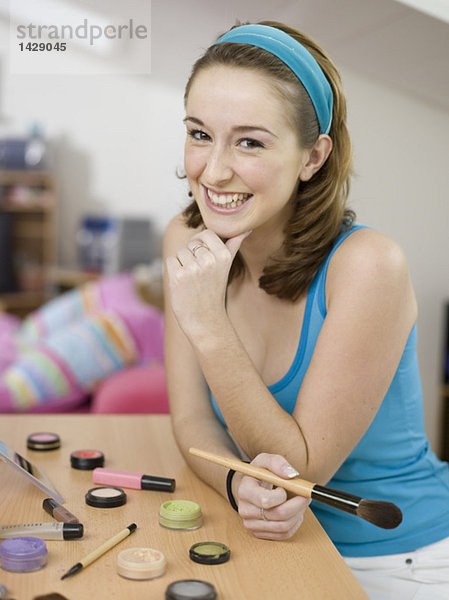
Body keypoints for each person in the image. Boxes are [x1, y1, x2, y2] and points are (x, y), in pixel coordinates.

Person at [163, 21, 449, 599]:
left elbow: (302, 468)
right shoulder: (184, 239)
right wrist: (239, 486)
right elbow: (192, 421)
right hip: (266, 542)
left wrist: (209, 327)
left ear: (312, 157)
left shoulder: (369, 266)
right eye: (199, 134)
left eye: (250, 142)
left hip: (397, 559)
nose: (213, 171)